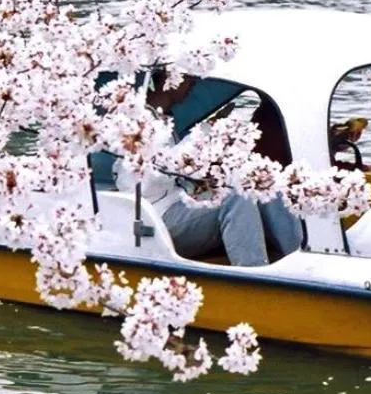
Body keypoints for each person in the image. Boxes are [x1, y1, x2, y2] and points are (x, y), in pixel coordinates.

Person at [117, 76, 304, 266]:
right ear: (169, 77)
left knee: (258, 184)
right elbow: (144, 185)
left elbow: (178, 171)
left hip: (182, 201)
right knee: (235, 199)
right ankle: (255, 275)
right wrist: (203, 137)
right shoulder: (137, 122)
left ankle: (300, 261)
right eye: (189, 78)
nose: (194, 83)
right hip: (157, 217)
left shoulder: (165, 119)